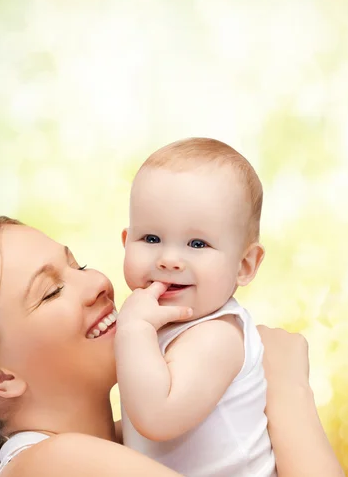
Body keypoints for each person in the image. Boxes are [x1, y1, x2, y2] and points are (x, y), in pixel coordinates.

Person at [0, 216, 344, 477]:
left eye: (79, 265)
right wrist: (286, 390)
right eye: (50, 292)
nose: (97, 283)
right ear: (0, 376)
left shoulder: (136, 441)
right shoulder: (54, 464)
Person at [116, 138, 274, 475]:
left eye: (197, 243)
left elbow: (157, 418)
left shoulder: (217, 336)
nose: (170, 259)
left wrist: (134, 330)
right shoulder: (157, 322)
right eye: (152, 239)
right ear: (126, 242)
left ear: (244, 265)